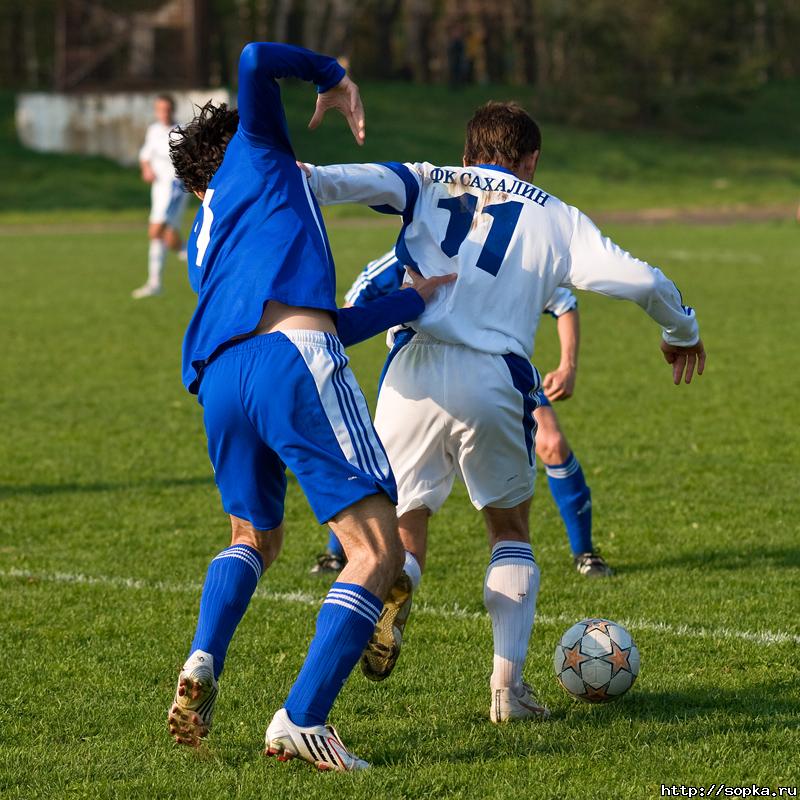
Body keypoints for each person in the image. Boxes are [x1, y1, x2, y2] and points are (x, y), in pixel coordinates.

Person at [303, 100, 706, 722]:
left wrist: (273, 174)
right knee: (509, 531)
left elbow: (331, 179)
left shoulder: (425, 177)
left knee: (402, 526)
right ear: (532, 161)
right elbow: (644, 282)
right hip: (493, 377)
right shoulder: (559, 218)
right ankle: (507, 691)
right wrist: (681, 332)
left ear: (467, 153)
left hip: (411, 372)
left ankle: (398, 580)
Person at [166, 42, 454, 771]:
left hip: (223, 380)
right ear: (237, 141)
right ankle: (303, 719)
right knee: (377, 551)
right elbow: (256, 56)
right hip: (289, 364)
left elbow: (314, 313)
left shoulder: (206, 235)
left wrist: (403, 302)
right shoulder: (257, 151)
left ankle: (203, 659)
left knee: (256, 539)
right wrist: (336, 78)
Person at [311, 249, 611, 578]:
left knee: (551, 442)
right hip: (419, 378)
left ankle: (585, 553)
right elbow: (353, 307)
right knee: (387, 476)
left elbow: (563, 304)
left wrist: (567, 366)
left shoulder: (500, 255)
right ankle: (338, 552)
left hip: (499, 372)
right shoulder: (406, 256)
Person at [132, 94, 189, 299]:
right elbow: (145, 155)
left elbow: (187, 160)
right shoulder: (154, 130)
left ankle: (193, 258)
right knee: (162, 235)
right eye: (160, 109)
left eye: (167, 109)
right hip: (158, 189)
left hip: (174, 187)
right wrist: (146, 169)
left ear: (172, 110)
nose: (163, 113)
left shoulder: (180, 132)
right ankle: (155, 282)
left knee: (157, 230)